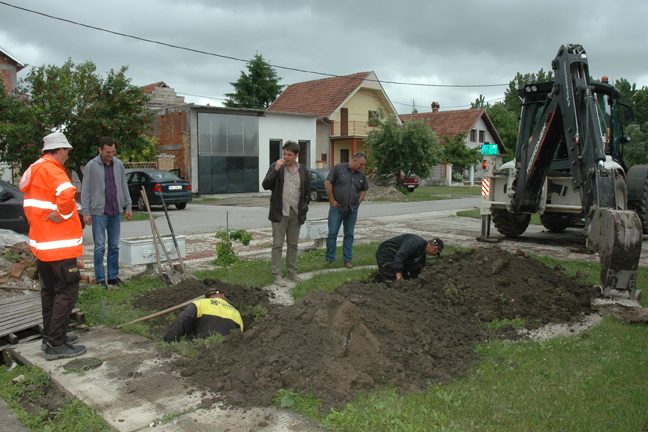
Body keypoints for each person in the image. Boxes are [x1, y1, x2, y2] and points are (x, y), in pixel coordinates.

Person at [19, 132, 87, 360]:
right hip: (59, 246)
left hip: (43, 245)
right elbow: (67, 192)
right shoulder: (52, 169)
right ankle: (56, 345)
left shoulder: (35, 170)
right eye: (66, 152)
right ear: (58, 150)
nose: (67, 157)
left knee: (49, 291)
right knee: (67, 290)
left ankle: (50, 336)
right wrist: (63, 212)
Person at [81, 137, 132, 289]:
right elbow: (85, 190)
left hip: (115, 211)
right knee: (99, 247)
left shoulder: (119, 165)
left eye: (113, 151)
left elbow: (124, 186)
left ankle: (113, 276)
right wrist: (86, 212)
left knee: (114, 246)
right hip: (98, 212)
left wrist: (128, 206)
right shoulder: (91, 166)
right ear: (100, 150)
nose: (111, 154)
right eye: (108, 152)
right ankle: (100, 278)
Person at [261, 141, 311, 287]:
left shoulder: (303, 170)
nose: (286, 157)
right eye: (285, 154)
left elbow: (307, 190)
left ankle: (292, 273)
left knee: (293, 244)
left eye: (290, 155)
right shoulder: (277, 167)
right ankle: (277, 275)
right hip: (279, 212)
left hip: (296, 212)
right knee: (277, 244)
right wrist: (275, 169)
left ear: (296, 155)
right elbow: (265, 185)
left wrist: (305, 205)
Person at [324, 153, 369, 268]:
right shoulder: (338, 169)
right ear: (354, 160)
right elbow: (328, 182)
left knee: (349, 234)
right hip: (337, 208)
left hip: (352, 210)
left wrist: (358, 201)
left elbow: (364, 189)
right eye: (361, 164)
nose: (362, 167)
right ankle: (329, 258)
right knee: (332, 234)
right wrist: (332, 200)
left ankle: (347, 259)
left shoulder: (361, 175)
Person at [163, 288, 244, 342]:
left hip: (204, 346)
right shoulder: (236, 312)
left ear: (207, 297)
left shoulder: (200, 303)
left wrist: (170, 337)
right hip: (227, 350)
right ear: (223, 296)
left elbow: (183, 319)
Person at [375, 234, 443, 284]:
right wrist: (399, 277)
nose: (434, 255)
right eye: (436, 253)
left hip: (396, 259)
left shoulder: (421, 255)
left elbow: (416, 270)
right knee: (393, 283)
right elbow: (400, 255)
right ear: (436, 248)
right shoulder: (417, 242)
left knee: (405, 282)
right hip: (387, 254)